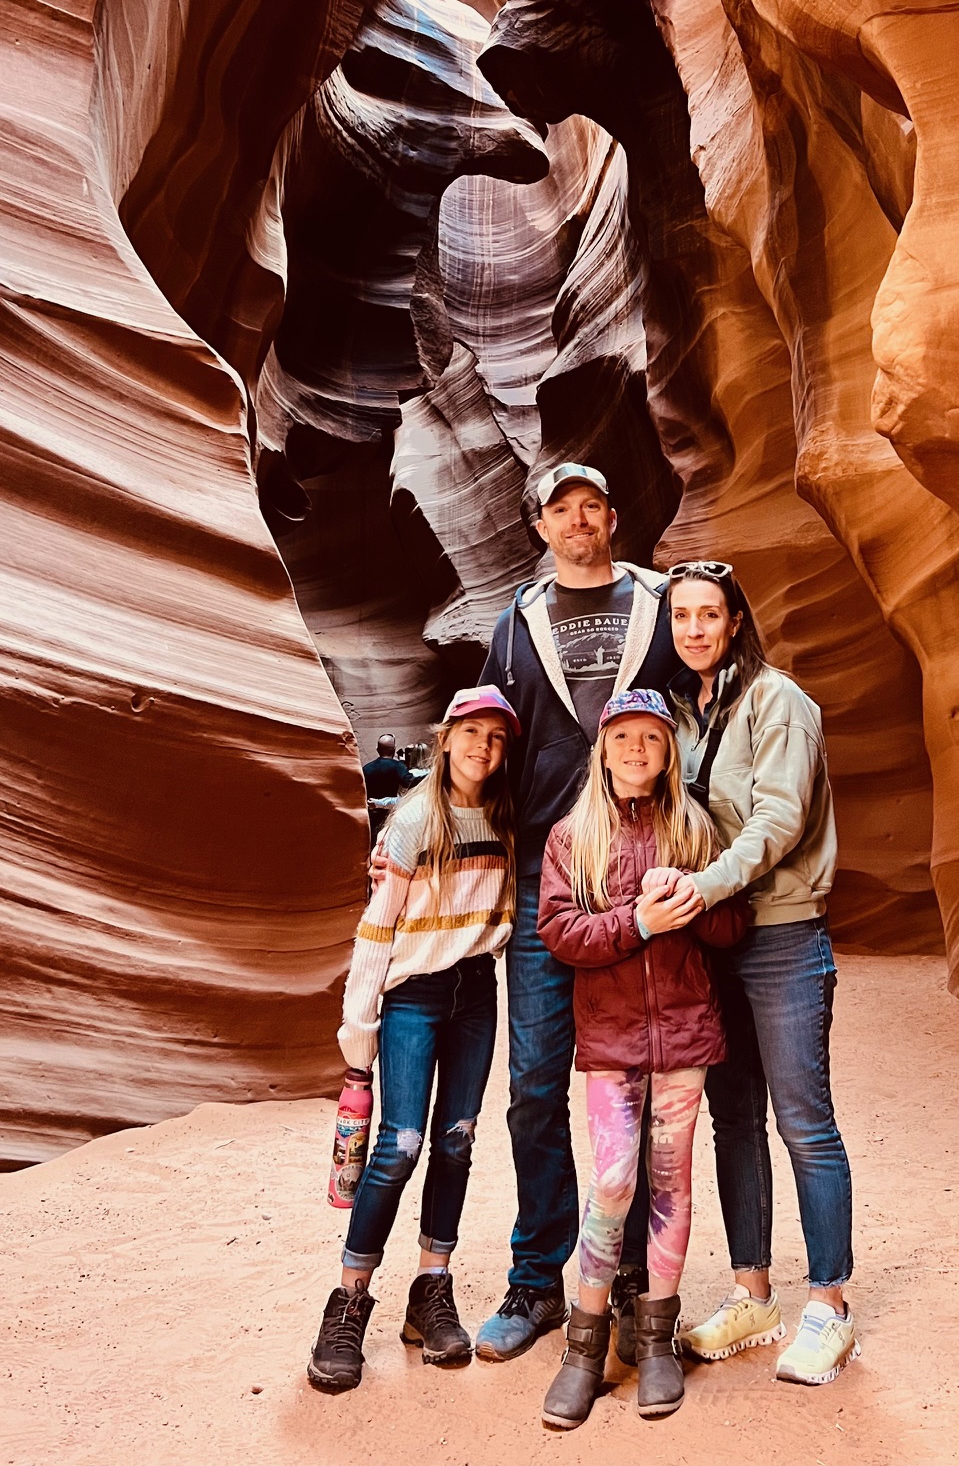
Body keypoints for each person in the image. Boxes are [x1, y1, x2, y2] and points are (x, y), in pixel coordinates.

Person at [471, 461, 681, 1362]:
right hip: (543, 874)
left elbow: (699, 714)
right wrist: (426, 836)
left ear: (612, 517)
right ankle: (536, 1277)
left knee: (636, 1080)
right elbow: (485, 737)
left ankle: (628, 1274)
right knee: (533, 1084)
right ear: (542, 527)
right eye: (563, 509)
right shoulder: (515, 623)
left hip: (642, 865)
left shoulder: (660, 607)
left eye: (592, 506)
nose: (579, 520)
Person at [660, 561, 858, 1386]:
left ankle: (830, 1307)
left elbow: (779, 818)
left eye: (709, 615)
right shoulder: (683, 713)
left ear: (736, 621)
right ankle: (753, 1294)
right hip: (715, 941)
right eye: (682, 617)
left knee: (803, 1122)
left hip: (780, 935)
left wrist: (703, 886)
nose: (695, 630)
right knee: (733, 1120)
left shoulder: (780, 703)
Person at [536, 690, 748, 1427]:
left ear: (669, 753)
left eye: (651, 738)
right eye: (622, 736)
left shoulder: (695, 828)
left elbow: (732, 924)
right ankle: (585, 1346)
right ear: (603, 749)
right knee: (613, 1181)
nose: (636, 749)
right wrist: (638, 921)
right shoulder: (572, 836)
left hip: (684, 1034)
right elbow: (559, 932)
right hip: (611, 1040)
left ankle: (656, 1337)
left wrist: (691, 897)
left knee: (671, 1182)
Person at [306, 686, 518, 1393]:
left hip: (475, 991)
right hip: (413, 994)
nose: (483, 748)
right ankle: (349, 1301)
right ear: (446, 737)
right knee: (399, 1145)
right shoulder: (414, 820)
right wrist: (358, 1028)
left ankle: (431, 1292)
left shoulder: (507, 817)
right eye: (472, 733)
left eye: (496, 738)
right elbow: (377, 928)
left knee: (456, 1139)